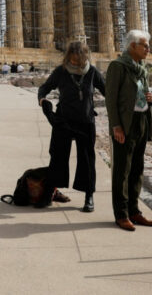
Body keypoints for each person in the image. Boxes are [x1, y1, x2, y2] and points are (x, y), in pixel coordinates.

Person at [37, 41, 106, 212]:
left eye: (77, 60)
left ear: (84, 57)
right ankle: (49, 192)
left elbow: (108, 92)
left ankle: (89, 196)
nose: (74, 63)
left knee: (87, 160)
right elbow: (45, 87)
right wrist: (42, 99)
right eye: (71, 59)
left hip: (85, 121)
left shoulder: (92, 72)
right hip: (64, 120)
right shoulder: (61, 71)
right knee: (57, 157)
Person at [106, 30, 152, 231]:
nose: (148, 49)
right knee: (122, 170)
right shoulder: (117, 67)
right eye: (144, 45)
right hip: (125, 124)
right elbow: (111, 99)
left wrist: (151, 98)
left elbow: (143, 93)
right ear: (132, 46)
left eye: (148, 45)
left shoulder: (142, 68)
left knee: (137, 169)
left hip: (142, 120)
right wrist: (116, 126)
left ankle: (134, 211)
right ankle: (121, 214)